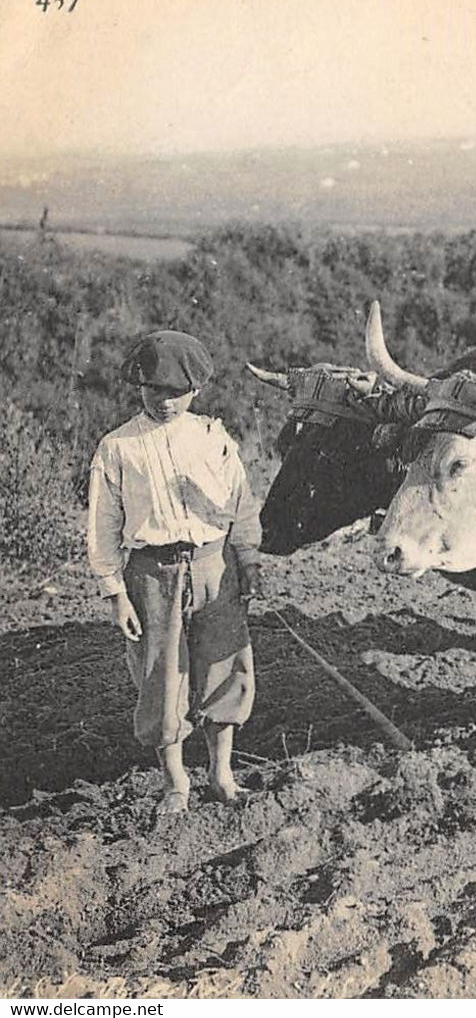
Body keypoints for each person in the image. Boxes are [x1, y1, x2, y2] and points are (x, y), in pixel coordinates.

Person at [87, 330, 264, 818]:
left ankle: (222, 773)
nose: (164, 401)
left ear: (197, 390)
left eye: (175, 391)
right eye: (153, 390)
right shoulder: (118, 448)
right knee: (161, 677)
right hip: (152, 574)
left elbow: (241, 506)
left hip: (215, 567)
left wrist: (248, 560)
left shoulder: (213, 438)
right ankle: (176, 782)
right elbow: (103, 527)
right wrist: (116, 593)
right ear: (137, 387)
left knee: (224, 670)